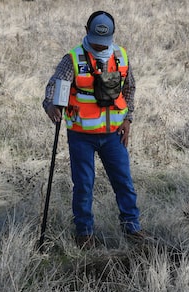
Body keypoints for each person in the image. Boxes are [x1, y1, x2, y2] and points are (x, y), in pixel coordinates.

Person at [42, 11, 144, 249]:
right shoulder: (73, 59)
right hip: (81, 135)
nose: (101, 47)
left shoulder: (121, 56)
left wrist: (128, 119)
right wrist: (51, 106)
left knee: (124, 182)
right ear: (86, 30)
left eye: (105, 42)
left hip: (114, 134)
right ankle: (84, 233)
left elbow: (129, 88)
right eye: (97, 42)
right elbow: (53, 87)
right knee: (84, 184)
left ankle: (132, 228)